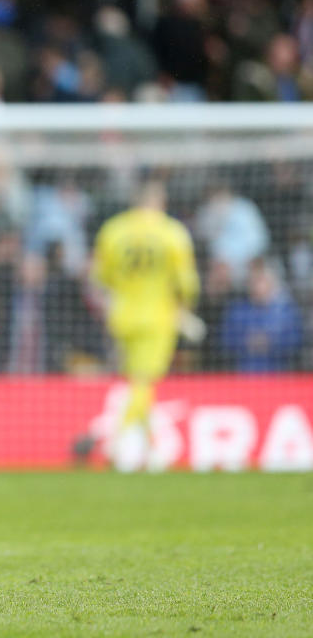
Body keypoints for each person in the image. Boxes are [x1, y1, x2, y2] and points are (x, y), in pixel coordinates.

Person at [91, 180, 200, 471]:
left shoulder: (113, 230)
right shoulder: (171, 232)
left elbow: (101, 276)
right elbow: (187, 281)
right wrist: (185, 306)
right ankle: (115, 442)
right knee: (144, 382)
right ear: (160, 201)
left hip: (122, 316)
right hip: (157, 317)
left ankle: (151, 447)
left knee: (136, 381)